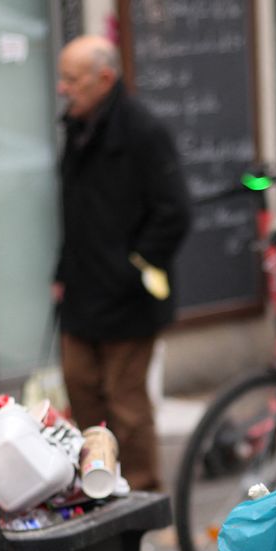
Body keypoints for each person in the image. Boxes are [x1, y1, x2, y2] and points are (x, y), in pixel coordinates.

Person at [53, 34, 190, 492]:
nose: (62, 88)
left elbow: (175, 212)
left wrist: (133, 268)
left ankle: (146, 497)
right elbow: (75, 213)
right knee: (81, 394)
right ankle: (98, 490)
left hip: (129, 298)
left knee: (127, 408)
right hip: (81, 291)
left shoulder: (143, 131)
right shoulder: (78, 128)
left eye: (71, 79)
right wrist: (60, 273)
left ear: (105, 78)